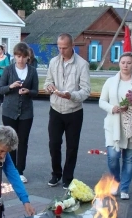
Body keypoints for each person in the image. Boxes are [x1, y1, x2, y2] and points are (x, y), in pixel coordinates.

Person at [99, 52, 132, 200]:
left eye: (129, 63)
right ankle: (116, 181)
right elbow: (102, 101)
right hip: (114, 123)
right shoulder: (110, 82)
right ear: (119, 64)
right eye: (123, 62)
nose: (125, 65)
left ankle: (125, 188)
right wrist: (112, 108)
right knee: (113, 156)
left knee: (129, 157)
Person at [44, 33, 91, 189]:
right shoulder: (53, 62)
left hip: (74, 111)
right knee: (54, 144)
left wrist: (71, 95)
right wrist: (49, 87)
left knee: (72, 147)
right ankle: (56, 174)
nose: (61, 51)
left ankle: (68, 177)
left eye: (64, 48)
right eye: (59, 47)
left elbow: (86, 91)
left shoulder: (82, 64)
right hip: (56, 109)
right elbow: (47, 82)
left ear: (72, 46)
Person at [0, 42, 39, 183]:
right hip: (9, 111)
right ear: (14, 56)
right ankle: (11, 170)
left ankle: (20, 170)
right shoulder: (8, 70)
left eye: (23, 57)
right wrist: (11, 86)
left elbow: (36, 91)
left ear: (28, 57)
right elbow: (0, 89)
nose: (20, 59)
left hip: (26, 112)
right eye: (17, 56)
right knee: (10, 141)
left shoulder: (33, 71)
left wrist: (28, 91)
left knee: (23, 142)